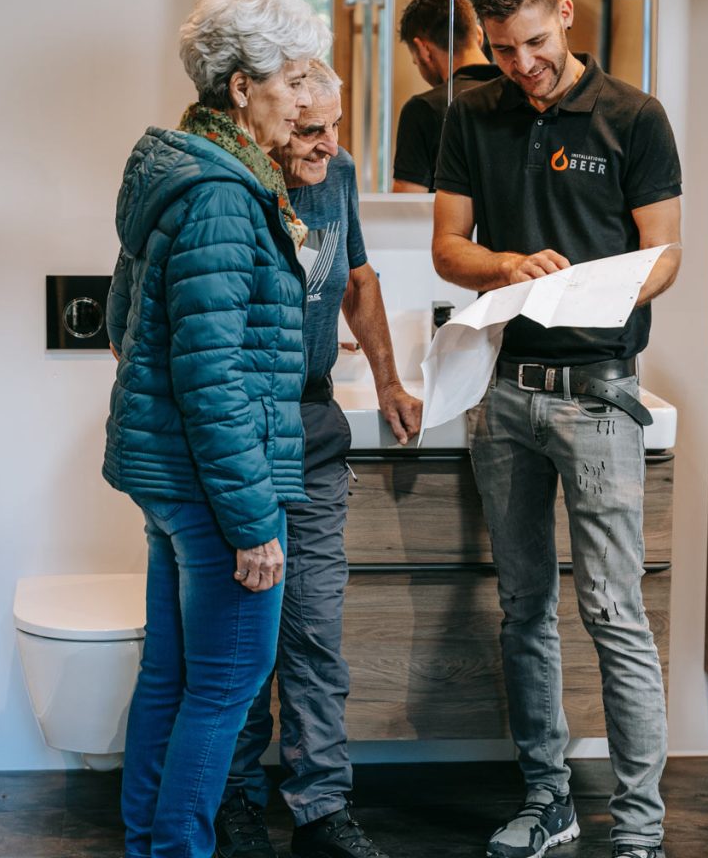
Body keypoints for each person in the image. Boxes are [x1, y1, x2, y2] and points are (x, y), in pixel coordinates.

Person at [432, 0, 682, 858]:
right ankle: (550, 800)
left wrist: (598, 291)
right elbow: (448, 248)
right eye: (500, 50)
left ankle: (643, 833)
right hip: (503, 398)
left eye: (533, 43)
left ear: (565, 17)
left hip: (601, 397)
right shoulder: (474, 113)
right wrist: (507, 265)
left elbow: (666, 253)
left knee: (614, 613)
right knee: (524, 608)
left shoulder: (634, 118)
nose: (520, 65)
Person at [102, 0, 331, 858]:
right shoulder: (228, 196)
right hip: (215, 489)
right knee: (224, 689)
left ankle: (149, 846)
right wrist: (250, 520)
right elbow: (211, 376)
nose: (307, 99)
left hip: (167, 480)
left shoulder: (174, 173)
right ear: (242, 88)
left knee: (171, 677)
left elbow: (128, 326)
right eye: (293, 80)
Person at [214, 59, 422, 858]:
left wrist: (391, 380)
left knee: (313, 638)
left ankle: (321, 810)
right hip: (243, 442)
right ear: (257, 116)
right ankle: (234, 801)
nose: (329, 147)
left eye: (336, 127)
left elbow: (359, 283)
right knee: (242, 641)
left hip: (317, 439)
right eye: (310, 132)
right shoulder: (226, 189)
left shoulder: (334, 177)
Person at [392, 0, 500, 193]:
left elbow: (406, 209)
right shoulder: (519, 93)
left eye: (416, 62)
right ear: (479, 35)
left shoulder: (422, 110)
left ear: (423, 50)